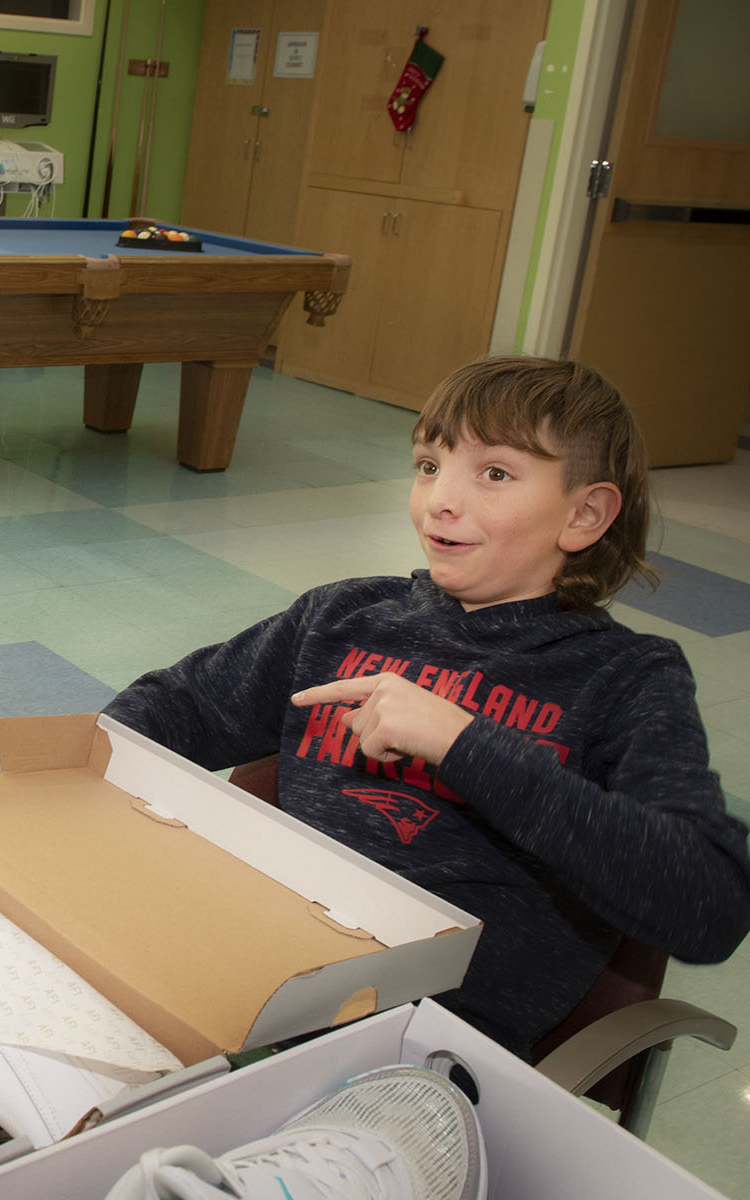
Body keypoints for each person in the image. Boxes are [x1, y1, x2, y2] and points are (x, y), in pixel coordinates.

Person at [102, 355, 750, 1057]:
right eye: (429, 464)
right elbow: (171, 710)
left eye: (494, 473)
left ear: (585, 514)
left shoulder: (628, 678)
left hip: (415, 1053)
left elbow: (707, 906)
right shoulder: (345, 616)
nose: (440, 498)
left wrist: (464, 744)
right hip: (238, 972)